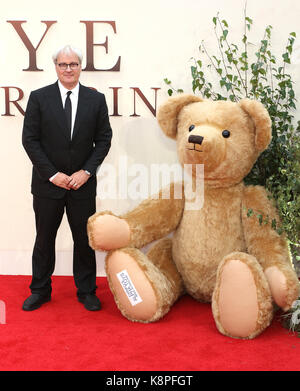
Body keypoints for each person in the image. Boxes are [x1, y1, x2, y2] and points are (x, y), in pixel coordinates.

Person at [22, 45, 112, 311]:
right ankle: (39, 289)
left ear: (80, 66)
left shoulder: (96, 100)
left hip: (82, 185)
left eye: (73, 64)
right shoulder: (39, 98)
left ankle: (86, 291)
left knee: (83, 240)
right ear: (56, 67)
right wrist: (52, 175)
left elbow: (104, 140)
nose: (68, 69)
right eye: (63, 65)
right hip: (47, 185)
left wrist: (86, 172)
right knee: (44, 238)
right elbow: (30, 140)